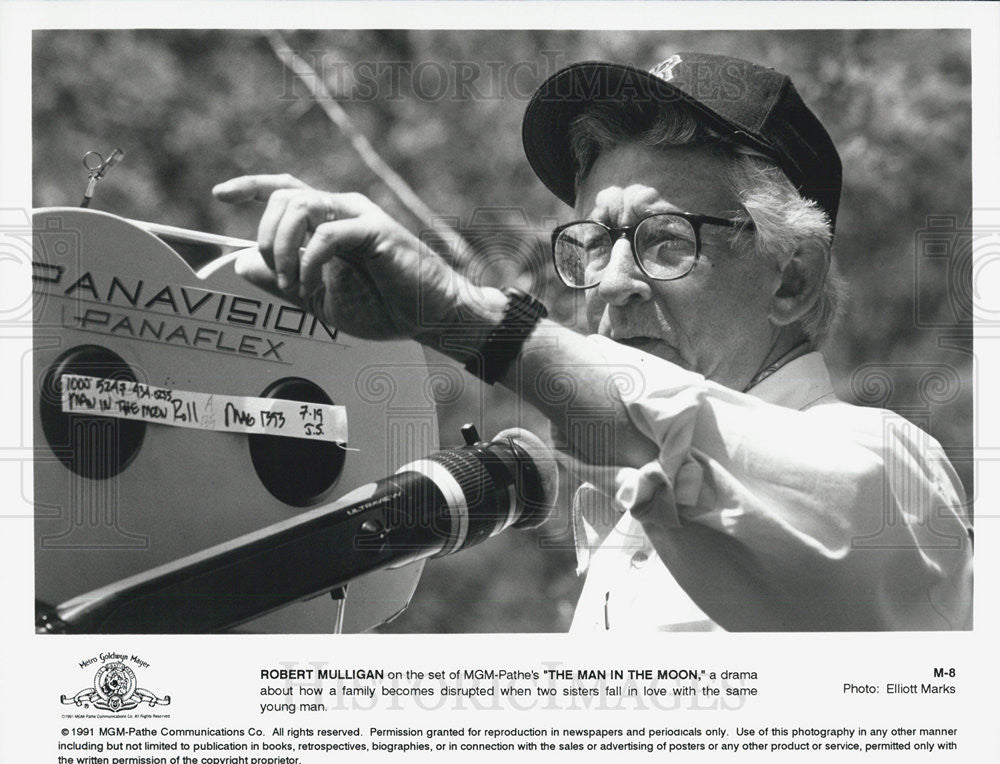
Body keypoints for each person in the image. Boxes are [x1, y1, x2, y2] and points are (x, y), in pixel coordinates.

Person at [213, 52, 972, 632]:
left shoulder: (891, 474)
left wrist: (463, 315)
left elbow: (695, 438)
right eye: (591, 243)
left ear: (792, 280)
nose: (610, 283)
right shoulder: (624, 526)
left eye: (664, 239)